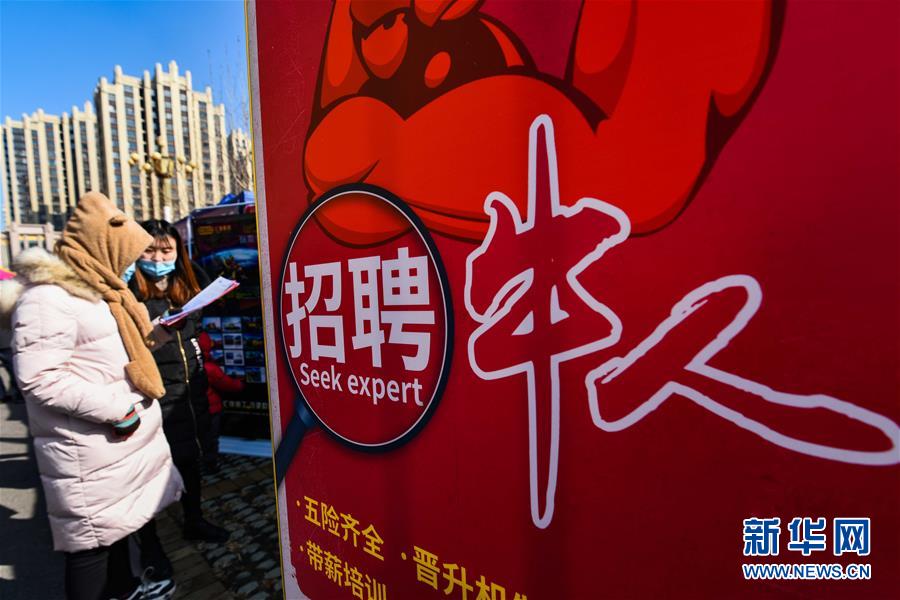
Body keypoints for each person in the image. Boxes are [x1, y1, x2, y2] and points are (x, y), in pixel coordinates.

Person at [0, 192, 183, 600]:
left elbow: (111, 350)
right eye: (126, 254)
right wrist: (118, 408)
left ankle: (125, 589)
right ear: (102, 247)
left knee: (113, 534)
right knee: (90, 550)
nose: (131, 264)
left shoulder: (99, 291)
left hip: (108, 448)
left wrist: (159, 333)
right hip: (87, 450)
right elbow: (39, 378)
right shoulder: (49, 297)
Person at [128, 219, 229, 572]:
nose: (158, 258)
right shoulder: (128, 292)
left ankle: (194, 520)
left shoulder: (186, 283)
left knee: (190, 460)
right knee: (148, 474)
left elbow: (197, 324)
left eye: (166, 250)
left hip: (190, 390)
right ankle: (150, 545)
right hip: (153, 396)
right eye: (149, 250)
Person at [198, 330, 244, 472]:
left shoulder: (195, 365)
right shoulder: (210, 368)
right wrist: (241, 384)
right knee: (211, 437)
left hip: (197, 409)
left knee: (201, 437)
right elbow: (228, 384)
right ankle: (210, 465)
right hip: (211, 409)